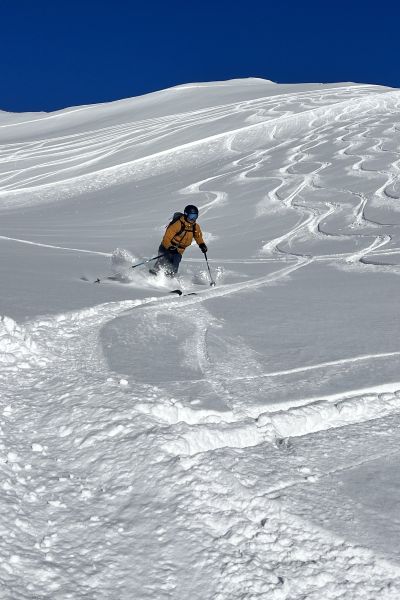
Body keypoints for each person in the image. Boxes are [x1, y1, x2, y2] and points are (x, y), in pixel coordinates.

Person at [150, 205, 208, 277]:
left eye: (195, 216)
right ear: (186, 214)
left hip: (179, 251)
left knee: (174, 268)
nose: (193, 219)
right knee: (162, 262)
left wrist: (202, 244)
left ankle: (169, 279)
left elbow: (198, 236)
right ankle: (152, 276)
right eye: (191, 216)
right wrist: (169, 247)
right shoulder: (177, 224)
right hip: (167, 248)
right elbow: (166, 238)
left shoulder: (195, 226)